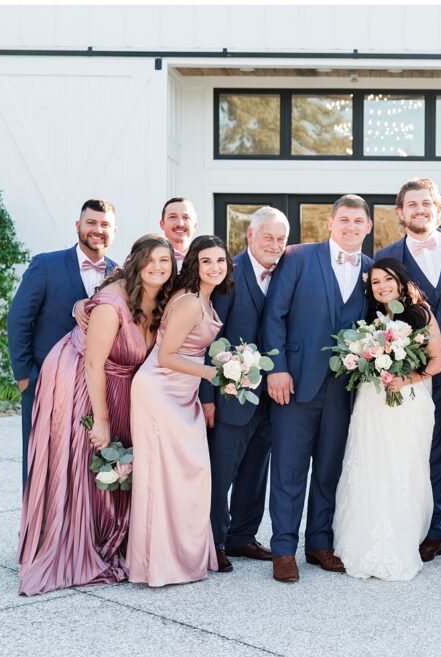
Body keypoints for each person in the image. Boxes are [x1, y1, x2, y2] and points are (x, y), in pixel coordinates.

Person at [17, 234, 174, 595]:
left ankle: (110, 538)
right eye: (150, 260)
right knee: (85, 457)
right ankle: (72, 543)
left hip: (120, 383)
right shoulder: (111, 302)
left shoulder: (163, 299)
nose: (157, 267)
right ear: (134, 262)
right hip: (82, 381)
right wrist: (101, 419)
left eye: (164, 261)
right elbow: (93, 363)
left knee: (111, 464)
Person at [263, 195, 374, 583]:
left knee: (330, 469)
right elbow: (274, 314)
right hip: (294, 383)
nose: (350, 227)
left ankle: (319, 543)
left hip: (344, 389)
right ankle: (282, 549)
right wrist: (276, 368)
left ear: (368, 227)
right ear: (330, 223)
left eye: (357, 221)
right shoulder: (297, 257)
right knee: (289, 470)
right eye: (343, 220)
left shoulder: (372, 272)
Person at [375, 178, 441, 568]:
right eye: (412, 205)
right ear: (400, 213)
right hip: (417, 372)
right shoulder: (387, 256)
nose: (420, 210)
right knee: (427, 454)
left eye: (427, 203)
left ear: (439, 207)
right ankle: (434, 532)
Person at [126, 235, 232, 586]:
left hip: (182, 394)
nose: (215, 267)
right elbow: (168, 355)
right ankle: (158, 564)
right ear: (194, 265)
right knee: (163, 476)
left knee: (189, 474)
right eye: (207, 261)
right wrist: (210, 372)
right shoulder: (188, 301)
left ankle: (184, 557)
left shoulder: (205, 298)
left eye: (221, 260)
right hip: (160, 391)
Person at [332, 259, 441, 581]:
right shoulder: (372, 320)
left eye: (388, 280)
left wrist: (403, 380)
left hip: (407, 401)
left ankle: (401, 541)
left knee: (401, 467)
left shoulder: (420, 313)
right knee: (368, 465)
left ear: (401, 281)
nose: (382, 287)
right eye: (376, 282)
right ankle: (360, 540)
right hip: (372, 400)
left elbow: (436, 363)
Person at [199, 207, 289, 572]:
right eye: (268, 236)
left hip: (271, 397)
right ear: (250, 236)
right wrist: (206, 397)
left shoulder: (287, 271)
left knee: (256, 469)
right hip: (229, 395)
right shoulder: (227, 275)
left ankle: (242, 536)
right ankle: (214, 541)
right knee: (221, 472)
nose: (275, 244)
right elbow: (207, 337)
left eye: (281, 238)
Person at [7, 199, 118, 490]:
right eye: (92, 222)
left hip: (96, 390)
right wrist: (25, 378)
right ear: (78, 226)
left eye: (105, 224)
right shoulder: (46, 264)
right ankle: (37, 532)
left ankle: (79, 533)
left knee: (85, 465)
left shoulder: (120, 275)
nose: (98, 230)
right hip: (46, 383)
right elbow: (18, 319)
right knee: (41, 462)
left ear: (114, 231)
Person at [160, 197, 198, 269]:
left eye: (186, 217)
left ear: (195, 226)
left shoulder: (204, 259)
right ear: (162, 224)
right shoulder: (146, 258)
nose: (180, 223)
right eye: (173, 217)